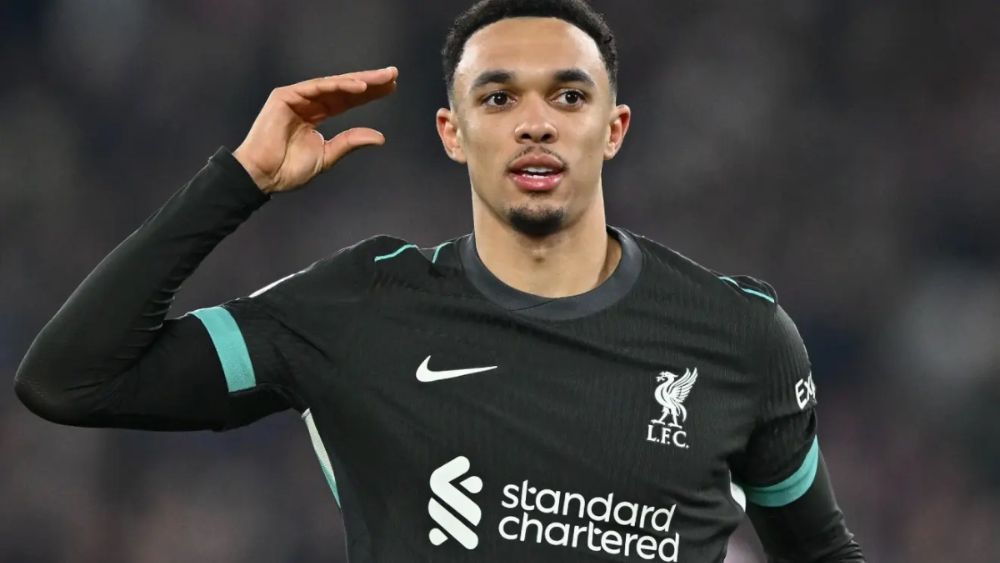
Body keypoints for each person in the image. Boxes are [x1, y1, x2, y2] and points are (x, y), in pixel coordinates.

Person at [14, 0, 865, 561]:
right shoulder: (360, 310)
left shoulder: (740, 338)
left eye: (569, 97)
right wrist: (237, 180)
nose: (535, 122)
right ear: (452, 132)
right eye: (498, 99)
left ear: (615, 127)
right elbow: (70, 378)